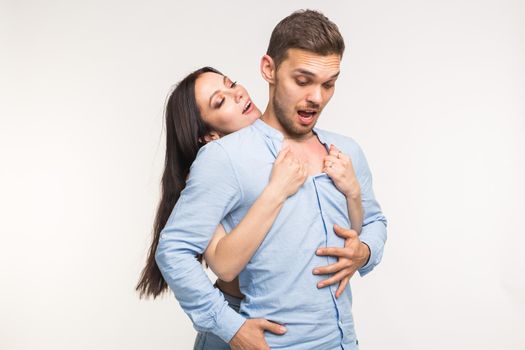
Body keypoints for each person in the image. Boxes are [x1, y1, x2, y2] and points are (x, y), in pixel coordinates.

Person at [155, 9, 387, 350]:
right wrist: (230, 327)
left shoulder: (346, 151)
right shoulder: (223, 157)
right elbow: (175, 250)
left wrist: (364, 251)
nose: (317, 98)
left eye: (329, 83)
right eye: (303, 80)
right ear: (269, 69)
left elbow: (376, 220)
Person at [135, 67, 364, 349]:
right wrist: (232, 328)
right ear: (208, 136)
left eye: (231, 84)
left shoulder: (278, 153)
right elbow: (223, 265)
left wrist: (354, 206)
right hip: (239, 319)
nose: (238, 93)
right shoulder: (213, 168)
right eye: (221, 101)